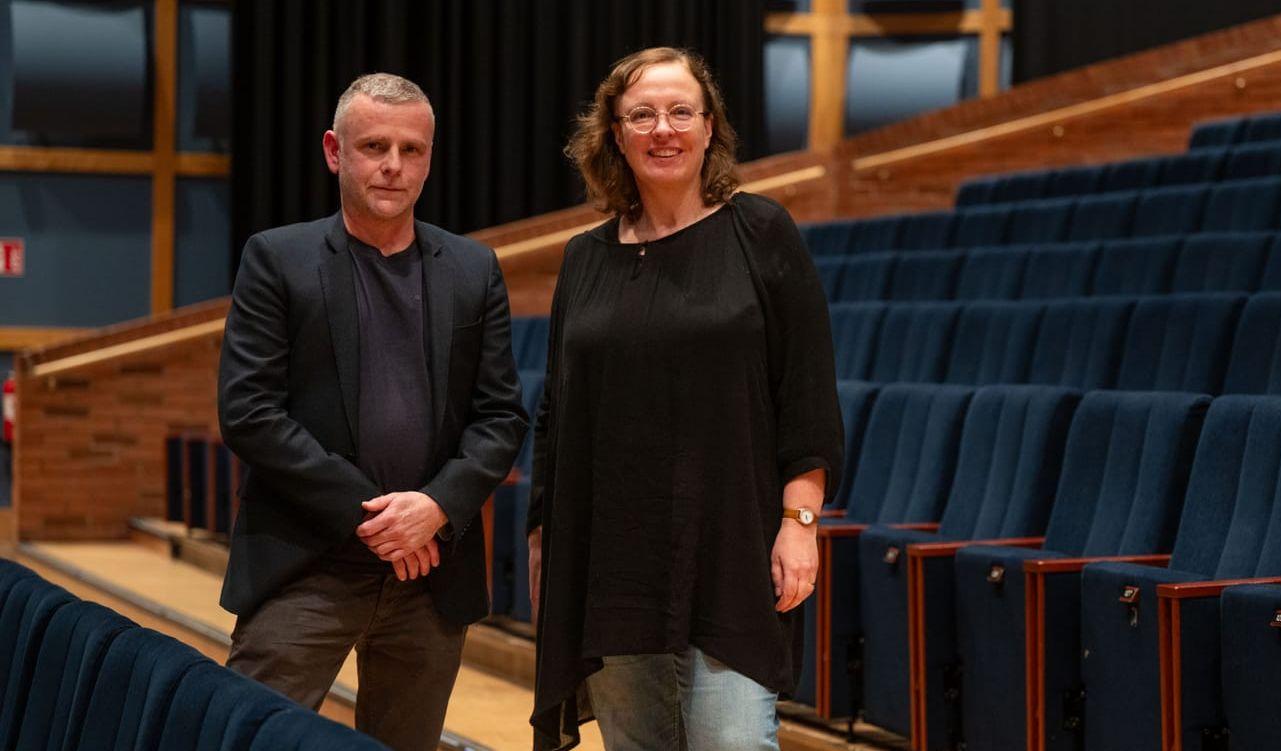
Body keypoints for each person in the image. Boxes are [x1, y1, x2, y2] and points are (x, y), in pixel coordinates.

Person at [527, 47, 844, 751]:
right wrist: (544, 535)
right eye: (641, 114)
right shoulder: (585, 257)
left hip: (730, 549)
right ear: (614, 133)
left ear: (709, 128)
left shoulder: (761, 232)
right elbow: (557, 415)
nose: (661, 129)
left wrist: (800, 520)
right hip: (612, 563)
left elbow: (808, 396)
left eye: (680, 112)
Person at [217, 73, 529, 751]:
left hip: (430, 575)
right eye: (374, 146)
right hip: (308, 563)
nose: (393, 164)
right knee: (244, 737)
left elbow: (502, 415)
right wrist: (382, 519)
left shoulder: (474, 269)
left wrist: (435, 508)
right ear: (335, 151)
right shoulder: (278, 258)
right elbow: (248, 411)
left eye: (411, 149)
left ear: (429, 157)